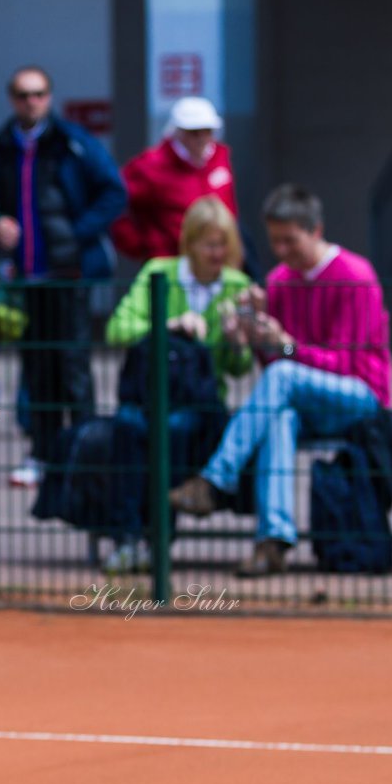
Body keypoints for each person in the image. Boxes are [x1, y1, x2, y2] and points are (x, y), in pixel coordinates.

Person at [168, 184, 392, 577]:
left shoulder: (354, 275)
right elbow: (271, 368)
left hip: (360, 396)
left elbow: (345, 365)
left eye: (291, 241)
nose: (283, 251)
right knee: (278, 417)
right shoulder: (279, 281)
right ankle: (273, 540)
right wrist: (252, 337)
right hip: (303, 397)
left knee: (285, 376)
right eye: (275, 241)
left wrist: (286, 348)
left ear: (316, 230)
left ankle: (215, 478)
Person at [0, 65, 126, 487]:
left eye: (39, 93)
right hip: (24, 279)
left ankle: (84, 455)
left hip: (68, 276)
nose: (32, 101)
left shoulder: (73, 143)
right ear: (13, 99)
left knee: (74, 367)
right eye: (24, 94)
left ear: (49, 97)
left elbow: (114, 193)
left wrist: (75, 234)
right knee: (37, 367)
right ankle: (43, 454)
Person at [101, 194, 254, 571]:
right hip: (150, 394)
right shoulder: (160, 274)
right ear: (190, 243)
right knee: (128, 426)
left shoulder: (237, 285)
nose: (218, 253)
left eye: (224, 244)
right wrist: (168, 326)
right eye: (209, 244)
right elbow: (117, 329)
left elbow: (239, 369)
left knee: (172, 431)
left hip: (200, 402)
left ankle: (153, 540)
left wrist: (237, 343)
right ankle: (131, 537)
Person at [109, 96, 238, 265]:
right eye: (193, 132)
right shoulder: (150, 165)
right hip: (172, 267)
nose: (201, 138)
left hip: (219, 264)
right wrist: (142, 246)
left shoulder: (220, 158)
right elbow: (113, 200)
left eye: (207, 131)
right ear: (178, 132)